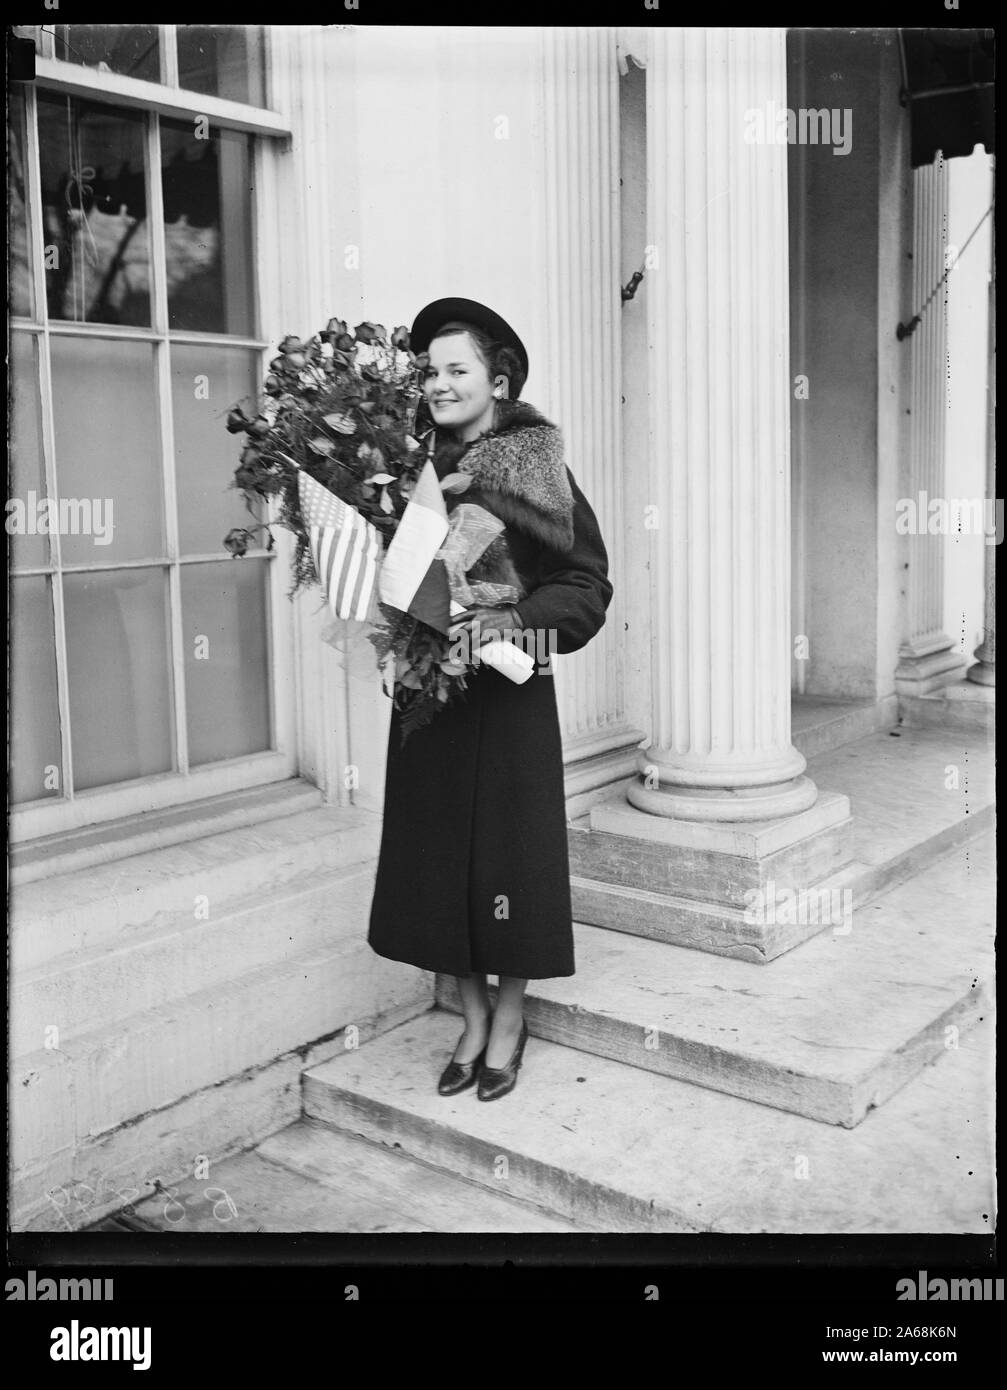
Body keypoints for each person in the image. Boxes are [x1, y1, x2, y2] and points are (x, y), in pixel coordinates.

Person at [367, 297, 613, 1101]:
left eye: (456, 369)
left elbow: (585, 586)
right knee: (437, 859)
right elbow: (398, 577)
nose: (438, 384)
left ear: (497, 379)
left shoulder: (534, 470)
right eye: (429, 372)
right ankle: (469, 1015)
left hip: (507, 695)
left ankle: (509, 1018)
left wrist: (512, 617)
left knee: (509, 860)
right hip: (427, 696)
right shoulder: (408, 470)